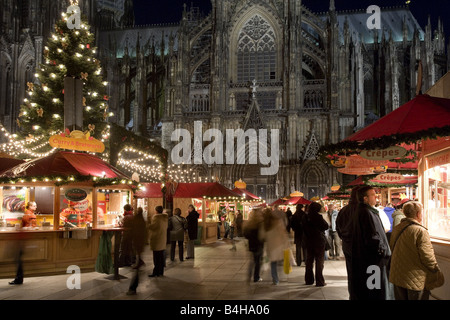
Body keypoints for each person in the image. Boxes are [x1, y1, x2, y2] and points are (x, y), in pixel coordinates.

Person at [389, 201, 443, 300]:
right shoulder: (420, 231)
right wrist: (436, 271)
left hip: (397, 275)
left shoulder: (397, 228)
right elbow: (427, 256)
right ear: (418, 214)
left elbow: (392, 247)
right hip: (415, 278)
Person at [351, 186, 394, 300]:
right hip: (372, 260)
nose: (376, 197)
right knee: (374, 289)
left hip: (371, 259)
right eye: (373, 195)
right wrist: (383, 251)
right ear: (365, 198)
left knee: (373, 288)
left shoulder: (365, 211)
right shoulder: (366, 212)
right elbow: (372, 237)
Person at [336, 186, 360, 299]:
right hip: (360, 246)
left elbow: (338, 227)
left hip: (347, 244)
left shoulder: (343, 210)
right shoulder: (363, 210)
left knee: (351, 271)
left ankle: (352, 294)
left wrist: (344, 238)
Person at [302, 202, 329, 287]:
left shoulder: (305, 217)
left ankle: (309, 280)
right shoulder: (318, 217)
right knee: (319, 261)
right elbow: (326, 226)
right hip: (318, 241)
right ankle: (319, 281)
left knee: (309, 261)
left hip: (309, 241)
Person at [261, 208, 290, 285]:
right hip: (279, 246)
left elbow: (262, 235)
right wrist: (286, 243)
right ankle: (278, 277)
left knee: (273, 263)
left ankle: (275, 278)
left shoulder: (265, 224)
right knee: (279, 262)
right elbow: (283, 233)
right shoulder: (278, 222)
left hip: (270, 246)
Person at [127, 207, 147, 295]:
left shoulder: (135, 221)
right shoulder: (142, 221)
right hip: (140, 246)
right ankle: (139, 263)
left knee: (136, 270)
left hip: (136, 245)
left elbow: (132, 233)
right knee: (137, 265)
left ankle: (132, 288)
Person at [243, 208, 264, 282]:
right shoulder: (260, 223)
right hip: (259, 245)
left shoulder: (249, 223)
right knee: (257, 261)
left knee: (252, 261)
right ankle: (256, 277)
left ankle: (249, 276)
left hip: (251, 244)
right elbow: (262, 235)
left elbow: (245, 234)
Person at [148, 206, 168, 277]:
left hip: (157, 239)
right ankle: (160, 272)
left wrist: (148, 224)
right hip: (162, 239)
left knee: (156, 257)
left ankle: (155, 272)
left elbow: (153, 227)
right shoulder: (165, 218)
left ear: (156, 211)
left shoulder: (156, 217)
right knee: (161, 256)